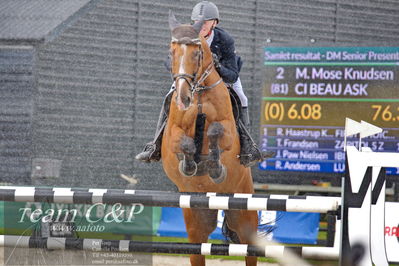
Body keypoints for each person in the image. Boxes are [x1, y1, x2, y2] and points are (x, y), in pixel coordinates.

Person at [135, 1, 272, 167]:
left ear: (214, 23)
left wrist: (217, 66)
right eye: (197, 22)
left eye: (206, 22)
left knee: (242, 98)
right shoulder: (186, 36)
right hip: (191, 79)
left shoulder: (224, 40)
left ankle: (248, 146)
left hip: (221, 79)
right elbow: (169, 61)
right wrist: (180, 70)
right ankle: (155, 144)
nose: (201, 26)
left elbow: (232, 75)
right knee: (169, 96)